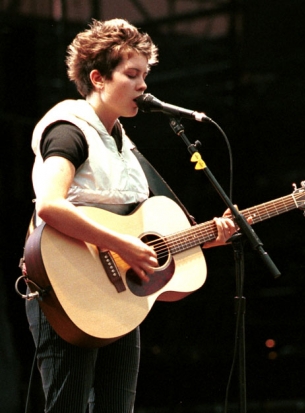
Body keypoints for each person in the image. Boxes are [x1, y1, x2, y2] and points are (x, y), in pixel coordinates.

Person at [24, 18, 238, 412]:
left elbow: (148, 228)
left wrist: (207, 235)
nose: (143, 85)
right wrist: (121, 242)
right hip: (67, 284)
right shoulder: (70, 129)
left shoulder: (124, 145)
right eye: (132, 74)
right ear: (98, 78)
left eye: (145, 75)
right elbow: (49, 206)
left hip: (120, 295)